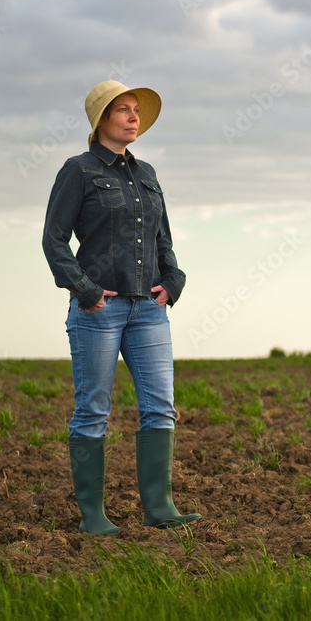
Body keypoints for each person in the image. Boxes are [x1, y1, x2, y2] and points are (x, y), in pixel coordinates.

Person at [42, 80, 200, 534]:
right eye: (123, 110)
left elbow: (162, 238)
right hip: (99, 311)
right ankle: (93, 516)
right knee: (93, 409)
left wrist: (173, 281)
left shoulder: (147, 173)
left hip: (149, 309)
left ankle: (160, 508)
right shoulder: (79, 170)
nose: (134, 117)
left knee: (161, 407)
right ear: (101, 121)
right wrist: (86, 291)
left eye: (136, 111)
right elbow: (54, 240)